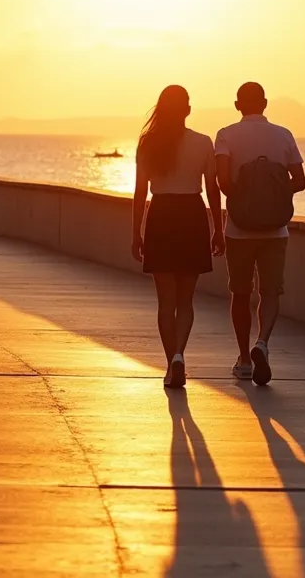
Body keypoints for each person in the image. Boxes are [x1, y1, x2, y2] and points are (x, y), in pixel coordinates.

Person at [130, 85, 224, 389]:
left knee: (164, 302)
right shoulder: (202, 143)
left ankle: (172, 361)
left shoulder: (148, 143)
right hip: (192, 216)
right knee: (186, 300)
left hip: (161, 215)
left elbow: (140, 191)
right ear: (187, 109)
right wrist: (218, 230)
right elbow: (213, 190)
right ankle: (181, 354)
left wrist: (136, 233)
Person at [214, 82, 305, 386]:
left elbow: (223, 182)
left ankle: (243, 359)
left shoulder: (226, 135)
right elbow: (300, 181)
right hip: (275, 230)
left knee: (240, 293)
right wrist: (273, 192)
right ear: (265, 103)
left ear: (238, 104)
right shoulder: (284, 135)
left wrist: (247, 196)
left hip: (239, 229)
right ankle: (263, 343)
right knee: (270, 292)